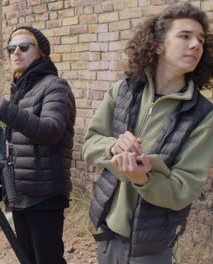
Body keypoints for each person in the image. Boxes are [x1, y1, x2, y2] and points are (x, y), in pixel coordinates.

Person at [82, 3, 213, 263]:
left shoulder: (203, 114)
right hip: (107, 233)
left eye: (200, 40)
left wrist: (143, 179)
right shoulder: (123, 91)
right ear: (157, 45)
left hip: (152, 245)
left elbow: (183, 189)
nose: (196, 45)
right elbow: (89, 144)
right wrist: (113, 146)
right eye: (185, 36)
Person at [0, 26, 75, 264]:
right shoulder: (21, 91)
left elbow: (51, 131)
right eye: (11, 49)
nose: (16, 52)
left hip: (44, 194)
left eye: (24, 47)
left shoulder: (55, 86)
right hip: (22, 193)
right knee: (28, 259)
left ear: (41, 53)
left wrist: (2, 108)